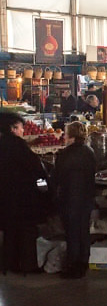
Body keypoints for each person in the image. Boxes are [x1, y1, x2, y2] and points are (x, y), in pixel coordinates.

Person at [0, 113, 47, 274]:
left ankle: (9, 264)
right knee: (27, 233)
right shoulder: (19, 147)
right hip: (23, 199)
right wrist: (45, 188)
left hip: (5, 200)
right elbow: (37, 172)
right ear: (13, 128)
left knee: (9, 232)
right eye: (20, 128)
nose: (22, 131)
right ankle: (27, 265)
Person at [51, 122, 96, 279]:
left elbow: (56, 178)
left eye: (65, 133)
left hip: (70, 198)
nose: (64, 136)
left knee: (72, 233)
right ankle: (84, 263)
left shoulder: (65, 154)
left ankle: (73, 266)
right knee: (83, 231)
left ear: (70, 135)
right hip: (86, 197)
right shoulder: (89, 151)